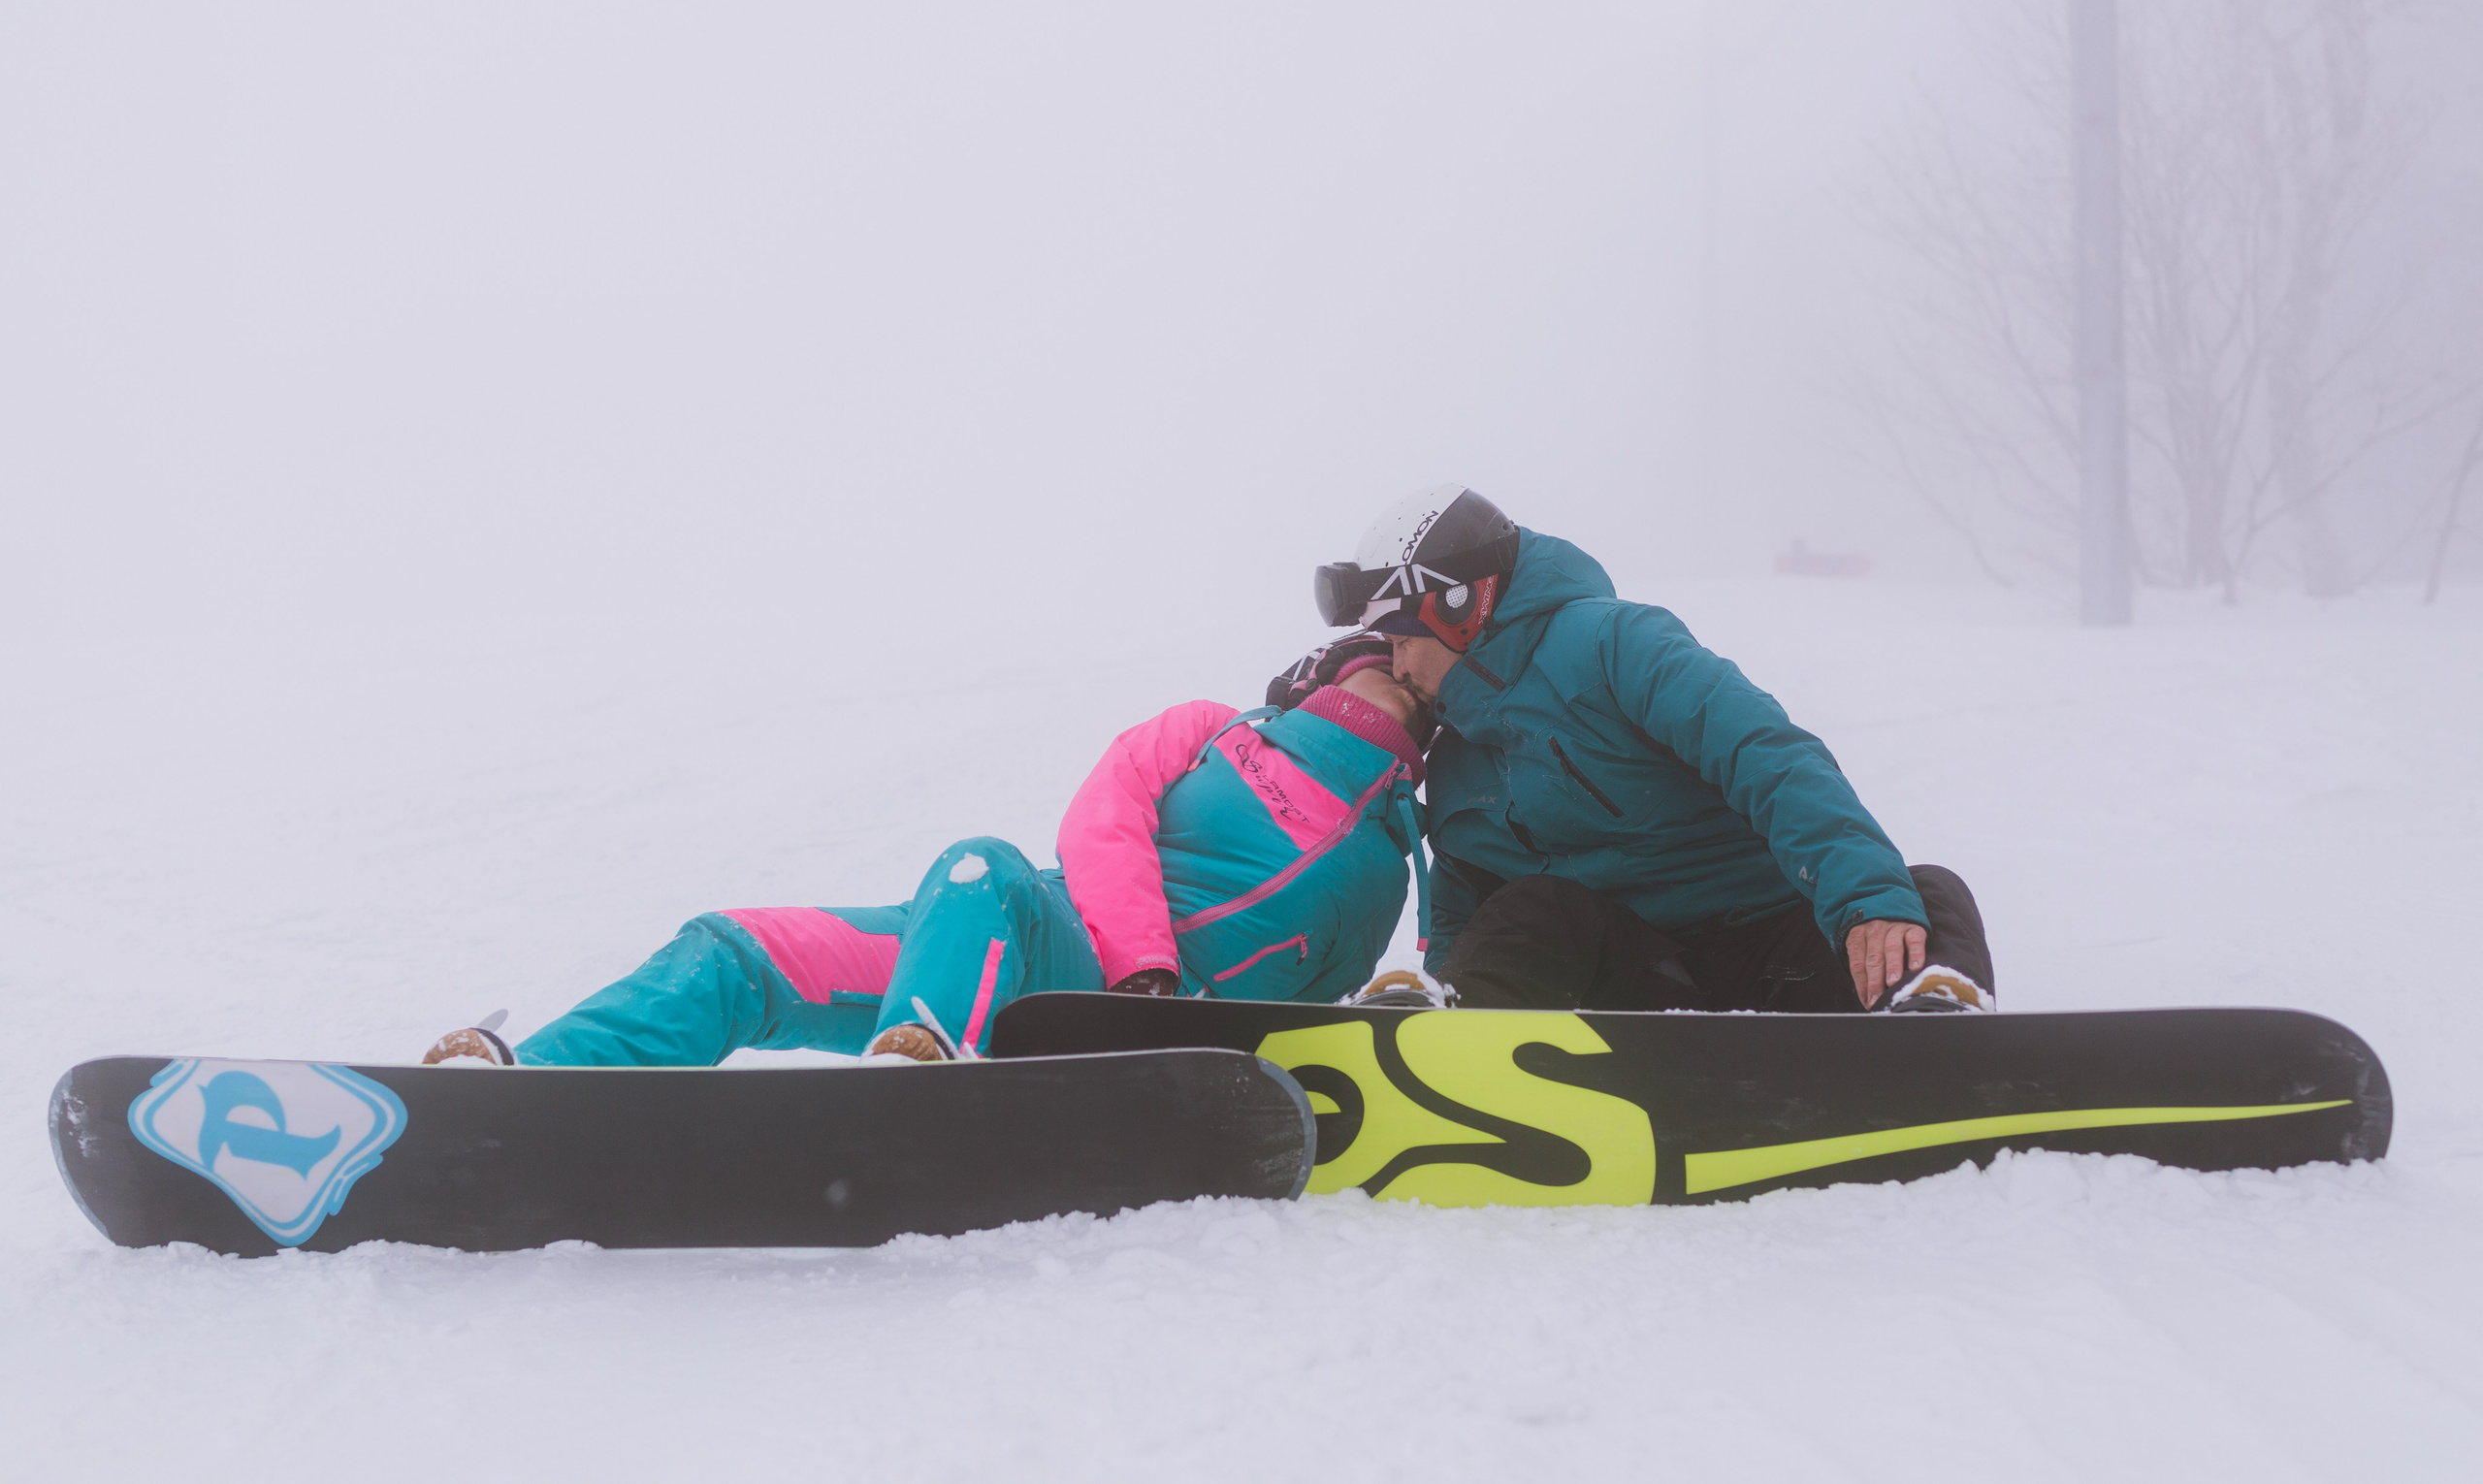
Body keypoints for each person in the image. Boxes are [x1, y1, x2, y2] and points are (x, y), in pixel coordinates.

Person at [423, 651, 1430, 1067]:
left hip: (1107, 999)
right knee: (735, 951)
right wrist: (1143, 966)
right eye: (1371, 667)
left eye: (1403, 686)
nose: (1384, 687)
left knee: (975, 867)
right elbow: (1101, 816)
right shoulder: (1216, 727)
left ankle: (917, 1062)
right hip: (1027, 932)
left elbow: (1315, 993)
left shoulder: (1390, 856)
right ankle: (532, 1081)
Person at [1311, 484, 1997, 1016]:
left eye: (1400, 641)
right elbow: (1468, 917)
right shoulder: (1456, 762)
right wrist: (1447, 979)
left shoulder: (1612, 645)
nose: (1398, 667)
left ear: (1457, 606)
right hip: (1640, 993)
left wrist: (1868, 898)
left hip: (1781, 950)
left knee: (1924, 892)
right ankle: (1445, 1050)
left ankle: (1931, 1032)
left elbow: (1768, 757)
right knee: (1536, 908)